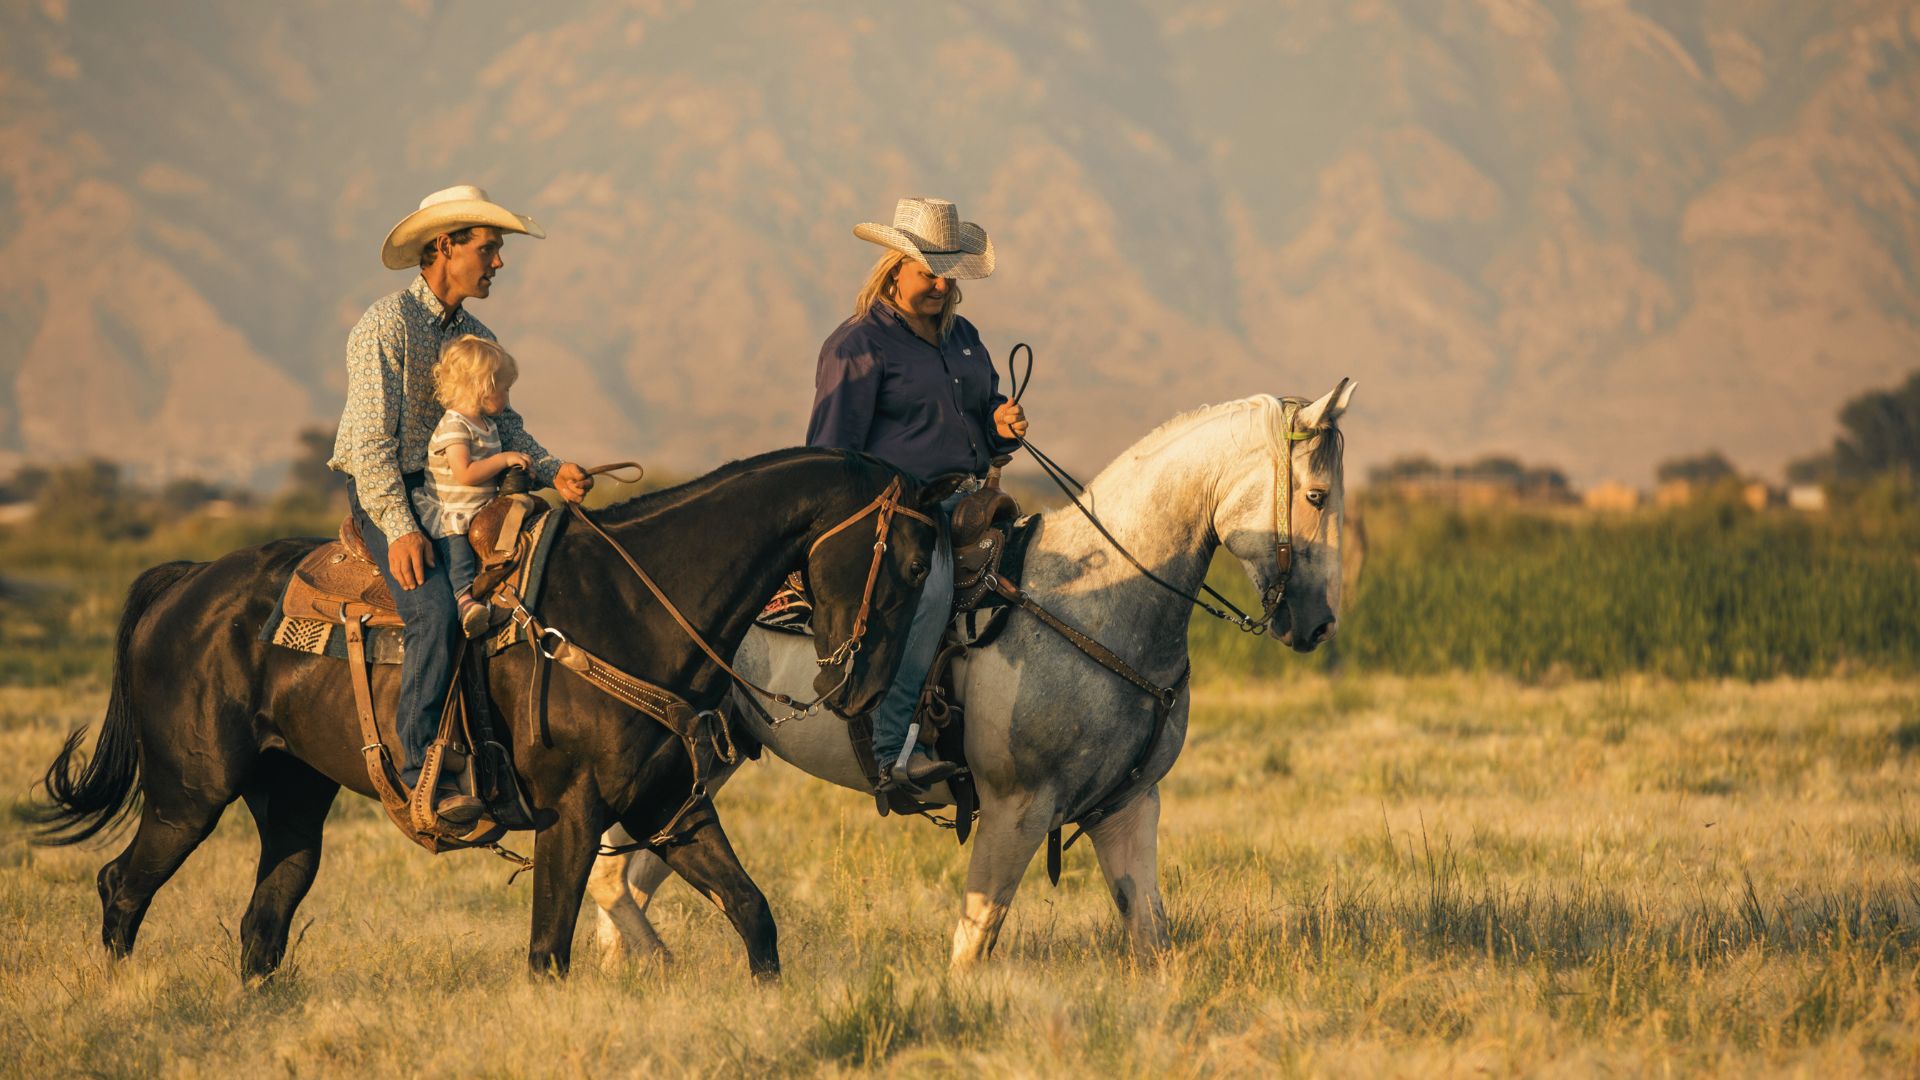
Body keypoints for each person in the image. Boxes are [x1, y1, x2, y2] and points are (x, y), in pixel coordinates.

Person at [329, 185, 593, 829]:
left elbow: (508, 427)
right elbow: (370, 444)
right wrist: (398, 528)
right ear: (444, 247)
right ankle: (419, 767)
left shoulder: (477, 334)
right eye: (489, 248)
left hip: (462, 495)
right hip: (390, 489)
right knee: (436, 612)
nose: (498, 262)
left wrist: (555, 468)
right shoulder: (384, 325)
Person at [806, 196, 1030, 790]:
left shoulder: (964, 338)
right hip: (897, 510)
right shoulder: (857, 346)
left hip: (972, 500)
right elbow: (831, 454)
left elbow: (977, 421)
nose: (937, 284)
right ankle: (891, 748)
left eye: (946, 274)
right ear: (893, 268)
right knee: (928, 598)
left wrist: (999, 426)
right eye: (926, 272)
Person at [412, 334, 535, 639]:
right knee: (459, 553)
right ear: (483, 387)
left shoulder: (488, 424)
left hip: (479, 507)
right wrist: (505, 459)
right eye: (504, 389)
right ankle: (464, 601)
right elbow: (465, 473)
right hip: (453, 510)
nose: (507, 398)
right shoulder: (454, 425)